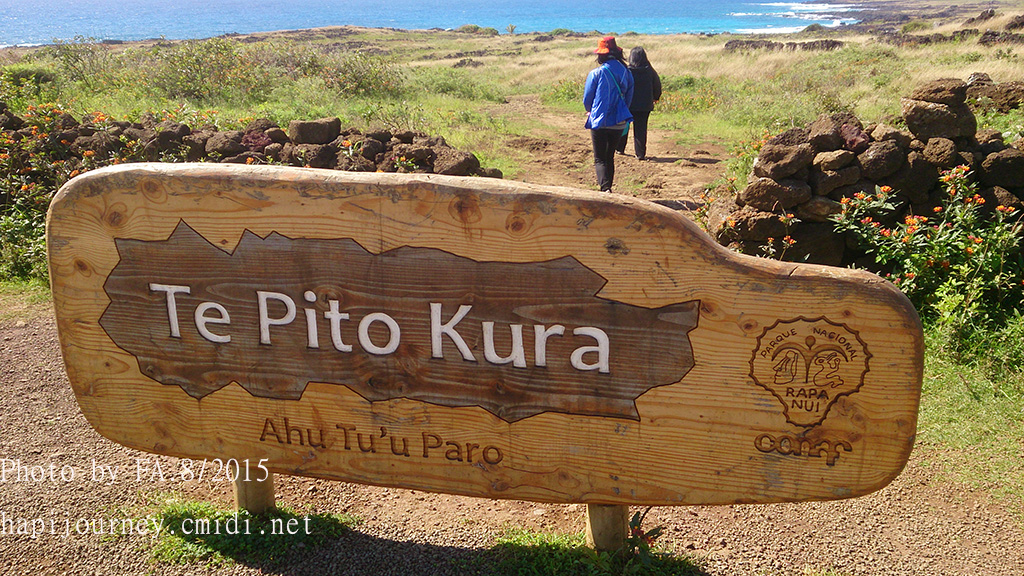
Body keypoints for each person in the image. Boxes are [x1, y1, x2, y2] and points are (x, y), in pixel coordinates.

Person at [583, 36, 633, 192]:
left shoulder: (596, 73)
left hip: (599, 120)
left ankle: (605, 189)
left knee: (599, 158)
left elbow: (587, 99)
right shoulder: (626, 72)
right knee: (610, 156)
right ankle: (608, 188)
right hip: (619, 121)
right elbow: (629, 98)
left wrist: (591, 110)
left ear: (601, 54)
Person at [617, 46, 661, 161]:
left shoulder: (627, 71)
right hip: (644, 105)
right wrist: (656, 98)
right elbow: (657, 85)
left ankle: (620, 148)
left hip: (628, 104)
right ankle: (640, 154)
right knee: (641, 129)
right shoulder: (650, 71)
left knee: (624, 126)